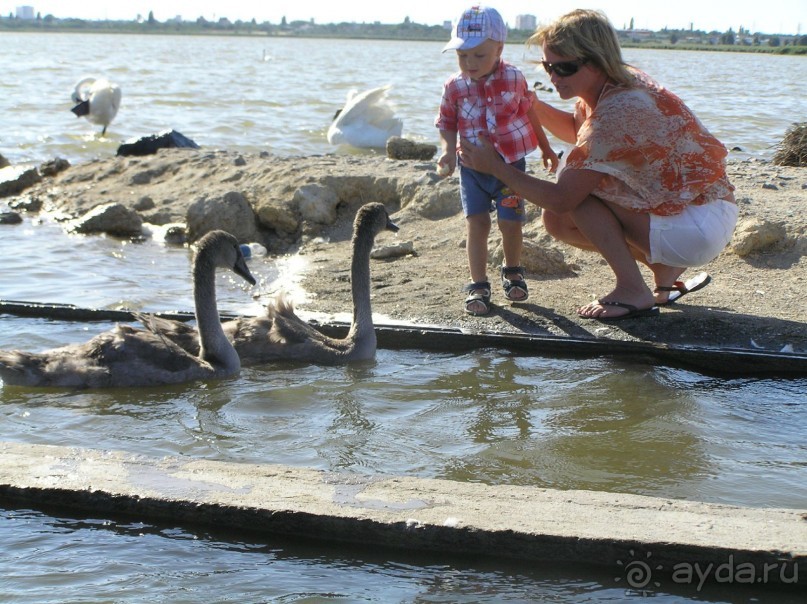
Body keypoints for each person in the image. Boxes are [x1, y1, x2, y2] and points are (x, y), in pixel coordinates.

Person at [459, 9, 738, 321]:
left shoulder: (616, 111)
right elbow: (578, 132)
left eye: (564, 67)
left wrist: (495, 167)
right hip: (704, 212)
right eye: (548, 66)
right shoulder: (611, 84)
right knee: (560, 216)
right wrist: (530, 105)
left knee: (572, 193)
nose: (553, 77)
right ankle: (663, 269)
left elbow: (562, 197)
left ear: (595, 60)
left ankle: (633, 289)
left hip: (699, 224)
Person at [435, 5, 559, 316]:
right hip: (472, 169)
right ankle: (478, 283)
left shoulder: (514, 78)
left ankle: (512, 269)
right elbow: (447, 121)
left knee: (510, 222)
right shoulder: (455, 85)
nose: (470, 63)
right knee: (476, 223)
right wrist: (448, 151)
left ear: (499, 48)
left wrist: (545, 148)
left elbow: (530, 112)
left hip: (511, 168)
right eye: (462, 55)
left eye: (479, 55)